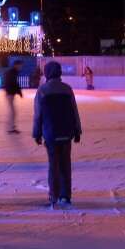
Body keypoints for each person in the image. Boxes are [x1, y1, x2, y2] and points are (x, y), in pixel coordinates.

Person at [32, 61, 82, 208]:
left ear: (47, 73)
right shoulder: (67, 89)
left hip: (50, 134)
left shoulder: (42, 90)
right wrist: (77, 131)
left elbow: (38, 115)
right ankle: (65, 196)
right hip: (67, 133)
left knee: (53, 165)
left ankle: (54, 195)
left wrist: (37, 133)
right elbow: (74, 111)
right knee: (65, 165)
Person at [2, 60, 23, 134]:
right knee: (13, 112)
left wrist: (18, 91)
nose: (21, 67)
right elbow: (12, 83)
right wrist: (19, 91)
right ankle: (10, 128)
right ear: (16, 65)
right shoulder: (12, 72)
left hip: (10, 93)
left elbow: (13, 83)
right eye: (20, 65)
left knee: (13, 111)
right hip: (10, 93)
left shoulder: (13, 72)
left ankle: (11, 127)